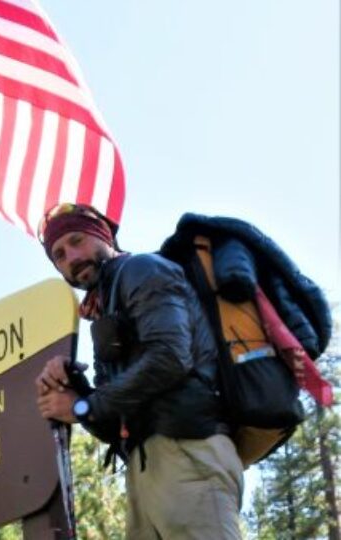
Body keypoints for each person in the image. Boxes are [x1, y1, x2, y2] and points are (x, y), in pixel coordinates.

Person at [34, 203, 243, 539]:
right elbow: (113, 426)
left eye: (77, 240)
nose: (71, 257)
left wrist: (83, 405)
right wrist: (79, 389)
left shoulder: (142, 270)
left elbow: (170, 356)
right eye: (59, 255)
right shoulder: (105, 308)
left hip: (188, 451)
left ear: (104, 236)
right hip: (143, 467)